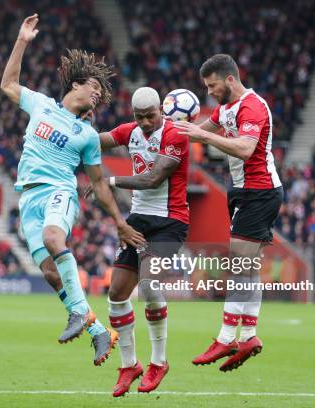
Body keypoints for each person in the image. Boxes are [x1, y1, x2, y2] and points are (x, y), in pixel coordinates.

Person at [0, 14, 145, 366]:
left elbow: (97, 182)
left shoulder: (87, 136)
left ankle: (79, 315)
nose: (98, 94)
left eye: (101, 93)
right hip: (29, 197)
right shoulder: (41, 105)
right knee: (50, 272)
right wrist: (21, 41)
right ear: (76, 85)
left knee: (54, 238)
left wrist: (119, 222)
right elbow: (8, 84)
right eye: (94, 87)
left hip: (58, 192)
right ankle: (98, 331)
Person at [174, 54, 283, 371]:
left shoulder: (252, 106)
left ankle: (225, 338)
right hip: (244, 191)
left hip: (259, 192)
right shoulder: (226, 108)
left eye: (212, 85)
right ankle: (248, 335)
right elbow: (200, 128)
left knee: (239, 263)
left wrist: (204, 137)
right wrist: (171, 132)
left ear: (230, 79)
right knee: (248, 266)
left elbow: (246, 148)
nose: (209, 93)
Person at [89, 87, 190, 396]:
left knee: (148, 285)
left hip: (170, 222)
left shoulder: (176, 135)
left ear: (162, 110)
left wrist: (110, 180)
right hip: (138, 221)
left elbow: (153, 179)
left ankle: (158, 362)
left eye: (151, 115)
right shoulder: (129, 131)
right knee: (117, 293)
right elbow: (96, 141)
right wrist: (78, 124)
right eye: (139, 116)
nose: (145, 122)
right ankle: (129, 365)